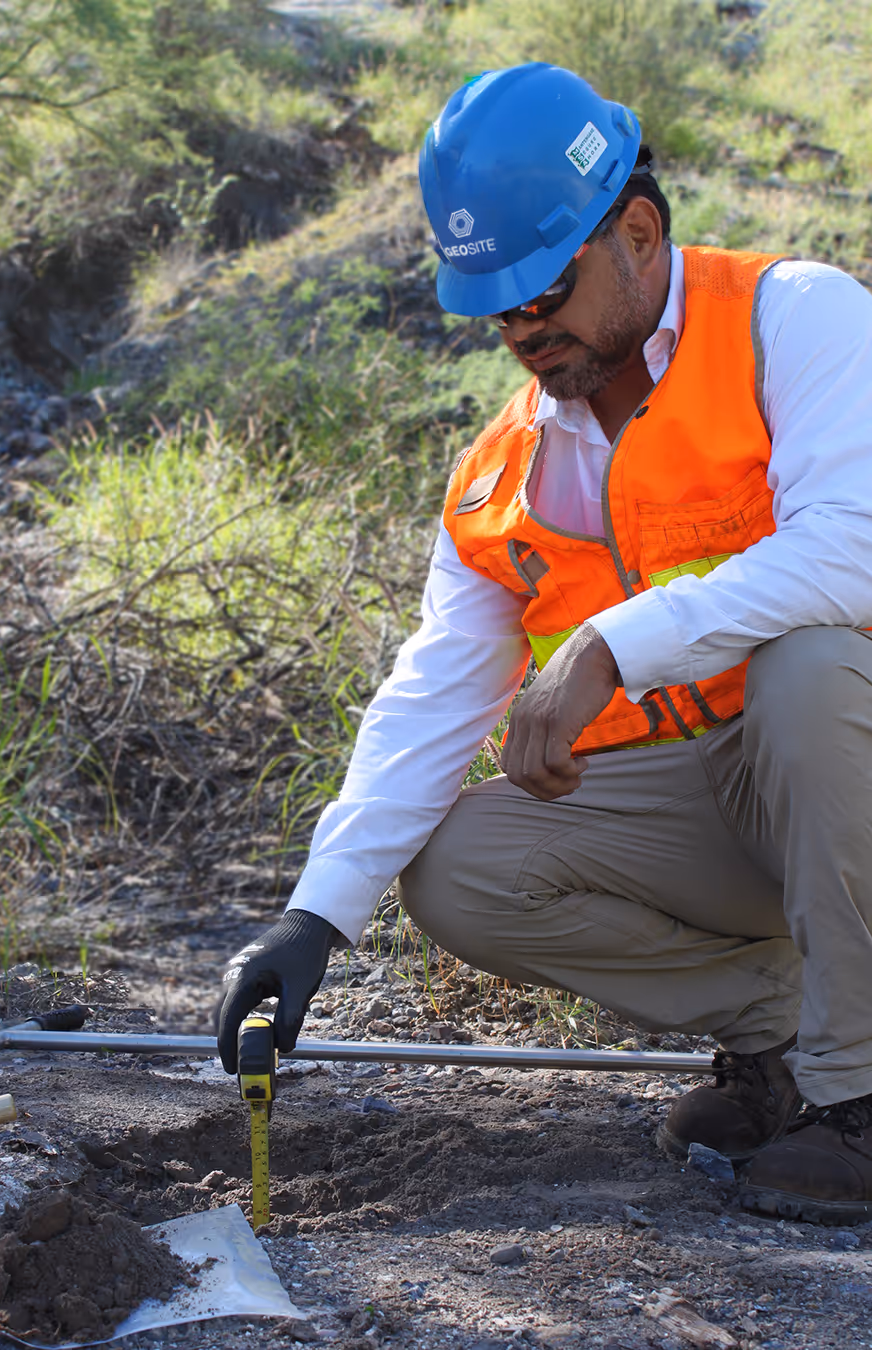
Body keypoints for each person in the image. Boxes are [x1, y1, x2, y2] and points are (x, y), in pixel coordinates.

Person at [217, 63, 872, 1225]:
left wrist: (611, 646)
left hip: (843, 761)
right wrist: (312, 919)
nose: (523, 331)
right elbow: (434, 693)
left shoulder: (797, 319)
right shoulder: (502, 475)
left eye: (545, 293)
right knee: (460, 870)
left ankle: (861, 1094)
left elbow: (853, 549)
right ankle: (784, 1037)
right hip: (748, 820)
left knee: (809, 671)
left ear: (636, 230)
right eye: (497, 309)